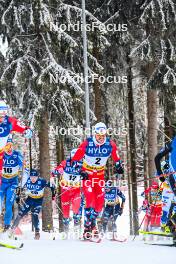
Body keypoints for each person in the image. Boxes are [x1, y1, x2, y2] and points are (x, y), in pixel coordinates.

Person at [71, 122, 124, 239]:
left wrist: (119, 166)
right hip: (87, 176)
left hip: (99, 177)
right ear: (95, 134)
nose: (101, 138)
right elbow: (74, 161)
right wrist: (81, 171)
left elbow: (116, 158)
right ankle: (87, 228)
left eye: (103, 135)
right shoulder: (87, 144)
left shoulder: (110, 145)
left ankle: (93, 225)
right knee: (89, 198)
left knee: (99, 204)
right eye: (99, 136)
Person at [10, 169, 55, 240]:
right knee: (20, 213)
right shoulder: (26, 180)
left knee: (35, 214)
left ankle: (37, 233)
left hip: (38, 201)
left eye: (35, 177)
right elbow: (19, 188)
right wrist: (17, 197)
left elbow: (52, 186)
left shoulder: (41, 181)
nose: (33, 179)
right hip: (29, 199)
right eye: (31, 177)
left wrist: (53, 194)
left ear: (38, 177)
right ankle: (12, 230)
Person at [52, 149, 84, 232]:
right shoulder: (65, 163)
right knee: (65, 212)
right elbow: (54, 171)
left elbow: (88, 174)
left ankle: (77, 226)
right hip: (65, 191)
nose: (75, 160)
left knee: (76, 208)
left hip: (76, 190)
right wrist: (58, 170)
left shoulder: (82, 165)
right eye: (73, 158)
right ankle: (66, 230)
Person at [0, 137, 23, 231]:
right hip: (2, 182)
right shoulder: (1, 155)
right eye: (6, 146)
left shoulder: (17, 154)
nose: (8, 148)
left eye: (9, 145)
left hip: (12, 183)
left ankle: (6, 225)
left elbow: (23, 166)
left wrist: (22, 164)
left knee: (9, 203)